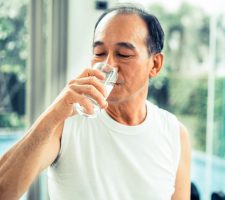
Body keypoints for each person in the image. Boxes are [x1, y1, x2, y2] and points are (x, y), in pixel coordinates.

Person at [0, 5, 191, 200]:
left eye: (123, 54)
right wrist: (53, 114)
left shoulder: (174, 133)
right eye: (99, 53)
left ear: (155, 64)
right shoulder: (65, 122)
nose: (108, 65)